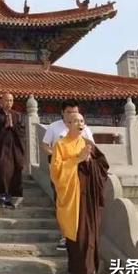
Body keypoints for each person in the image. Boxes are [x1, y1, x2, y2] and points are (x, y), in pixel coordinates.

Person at [50, 112, 108, 274]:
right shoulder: (60, 145)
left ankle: (91, 273)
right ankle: (78, 272)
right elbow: (56, 172)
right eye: (76, 121)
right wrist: (77, 159)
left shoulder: (88, 144)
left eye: (82, 120)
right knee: (78, 236)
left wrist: (90, 161)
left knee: (91, 235)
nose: (80, 123)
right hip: (72, 198)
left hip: (88, 196)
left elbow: (103, 166)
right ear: (67, 124)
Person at [41, 99, 94, 251]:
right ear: (63, 114)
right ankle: (66, 236)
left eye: (76, 114)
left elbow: (92, 149)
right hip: (62, 174)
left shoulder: (85, 130)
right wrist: (60, 156)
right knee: (63, 204)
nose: (74, 118)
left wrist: (86, 157)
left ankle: (81, 235)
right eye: (69, 113)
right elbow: (45, 145)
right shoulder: (54, 128)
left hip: (82, 176)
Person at [0, 93, 25, 209]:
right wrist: (4, 126)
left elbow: (21, 132)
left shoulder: (16, 115)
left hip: (14, 148)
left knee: (16, 170)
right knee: (3, 170)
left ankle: (10, 197)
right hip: (2, 149)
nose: (8, 103)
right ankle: (1, 196)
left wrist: (13, 126)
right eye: (6, 100)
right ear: (1, 102)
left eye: (11, 100)